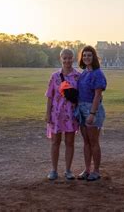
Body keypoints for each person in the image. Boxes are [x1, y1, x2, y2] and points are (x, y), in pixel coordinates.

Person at [44, 49, 80, 180]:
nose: (67, 61)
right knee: (55, 142)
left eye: (70, 58)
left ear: (73, 58)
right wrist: (48, 114)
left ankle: (68, 170)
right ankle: (53, 170)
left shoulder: (77, 76)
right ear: (61, 59)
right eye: (65, 58)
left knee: (70, 142)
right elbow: (49, 96)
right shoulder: (55, 76)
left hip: (71, 115)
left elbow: (79, 97)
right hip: (56, 114)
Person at [76, 45, 107, 181]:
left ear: (94, 57)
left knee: (94, 142)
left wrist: (92, 113)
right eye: (84, 55)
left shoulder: (97, 73)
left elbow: (97, 96)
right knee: (86, 142)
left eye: (89, 55)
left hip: (92, 109)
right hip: (81, 109)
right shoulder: (84, 73)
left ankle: (96, 170)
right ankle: (87, 169)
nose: (86, 57)